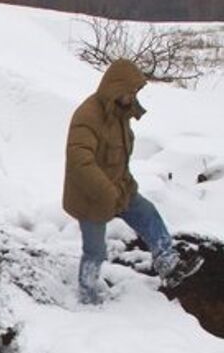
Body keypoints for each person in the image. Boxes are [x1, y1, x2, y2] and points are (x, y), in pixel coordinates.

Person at [63, 57, 200, 304]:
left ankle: (168, 263)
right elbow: (79, 162)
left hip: (120, 189)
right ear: (115, 88)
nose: (133, 96)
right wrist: (107, 192)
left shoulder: (119, 113)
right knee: (95, 251)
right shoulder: (88, 116)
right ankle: (88, 294)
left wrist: (127, 186)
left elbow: (119, 159)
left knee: (148, 214)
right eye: (130, 91)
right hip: (90, 197)